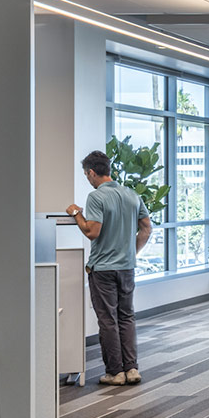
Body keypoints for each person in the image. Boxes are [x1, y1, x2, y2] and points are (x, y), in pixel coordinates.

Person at [64, 150, 153, 388]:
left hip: (103, 269)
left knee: (107, 320)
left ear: (92, 172)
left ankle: (115, 372)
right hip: (126, 267)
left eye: (86, 175)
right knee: (126, 316)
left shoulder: (96, 197)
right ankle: (131, 368)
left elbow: (92, 232)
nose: (88, 179)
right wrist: (131, 252)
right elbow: (146, 227)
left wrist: (76, 213)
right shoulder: (131, 194)